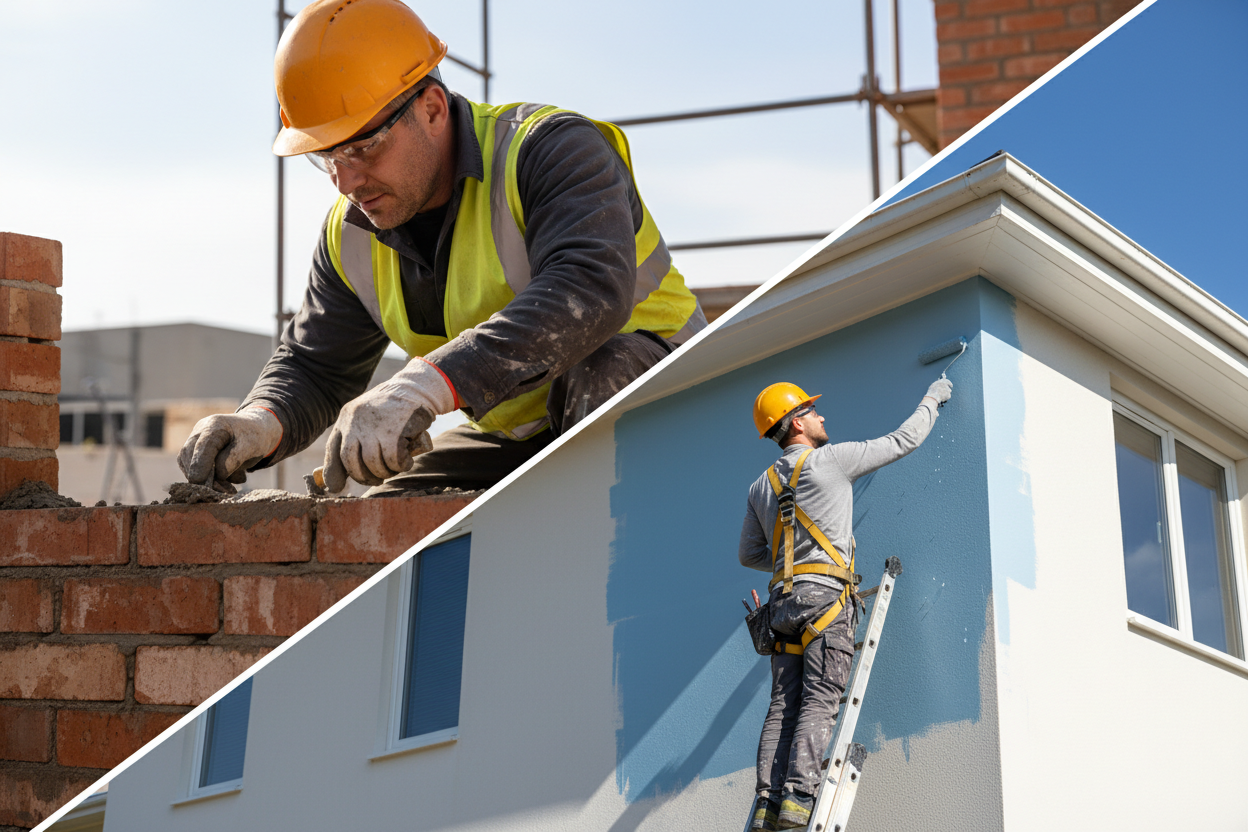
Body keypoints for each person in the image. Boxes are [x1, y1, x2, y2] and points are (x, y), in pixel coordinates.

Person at [177, 0, 705, 496]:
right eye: (327, 158)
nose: (346, 181)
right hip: (521, 435)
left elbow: (587, 290)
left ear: (431, 108)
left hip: (670, 395)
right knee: (390, 519)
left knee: (602, 373)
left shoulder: (549, 150)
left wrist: (423, 386)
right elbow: (317, 365)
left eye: (363, 147)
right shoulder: (351, 232)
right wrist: (260, 420)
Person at [739, 378, 952, 830]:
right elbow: (903, 440)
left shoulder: (761, 486)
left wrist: (791, 561)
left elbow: (749, 555)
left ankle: (767, 804)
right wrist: (934, 396)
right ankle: (798, 801)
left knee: (782, 706)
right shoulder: (829, 460)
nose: (821, 417)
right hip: (826, 603)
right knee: (820, 699)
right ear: (797, 423)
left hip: (783, 606)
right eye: (813, 412)